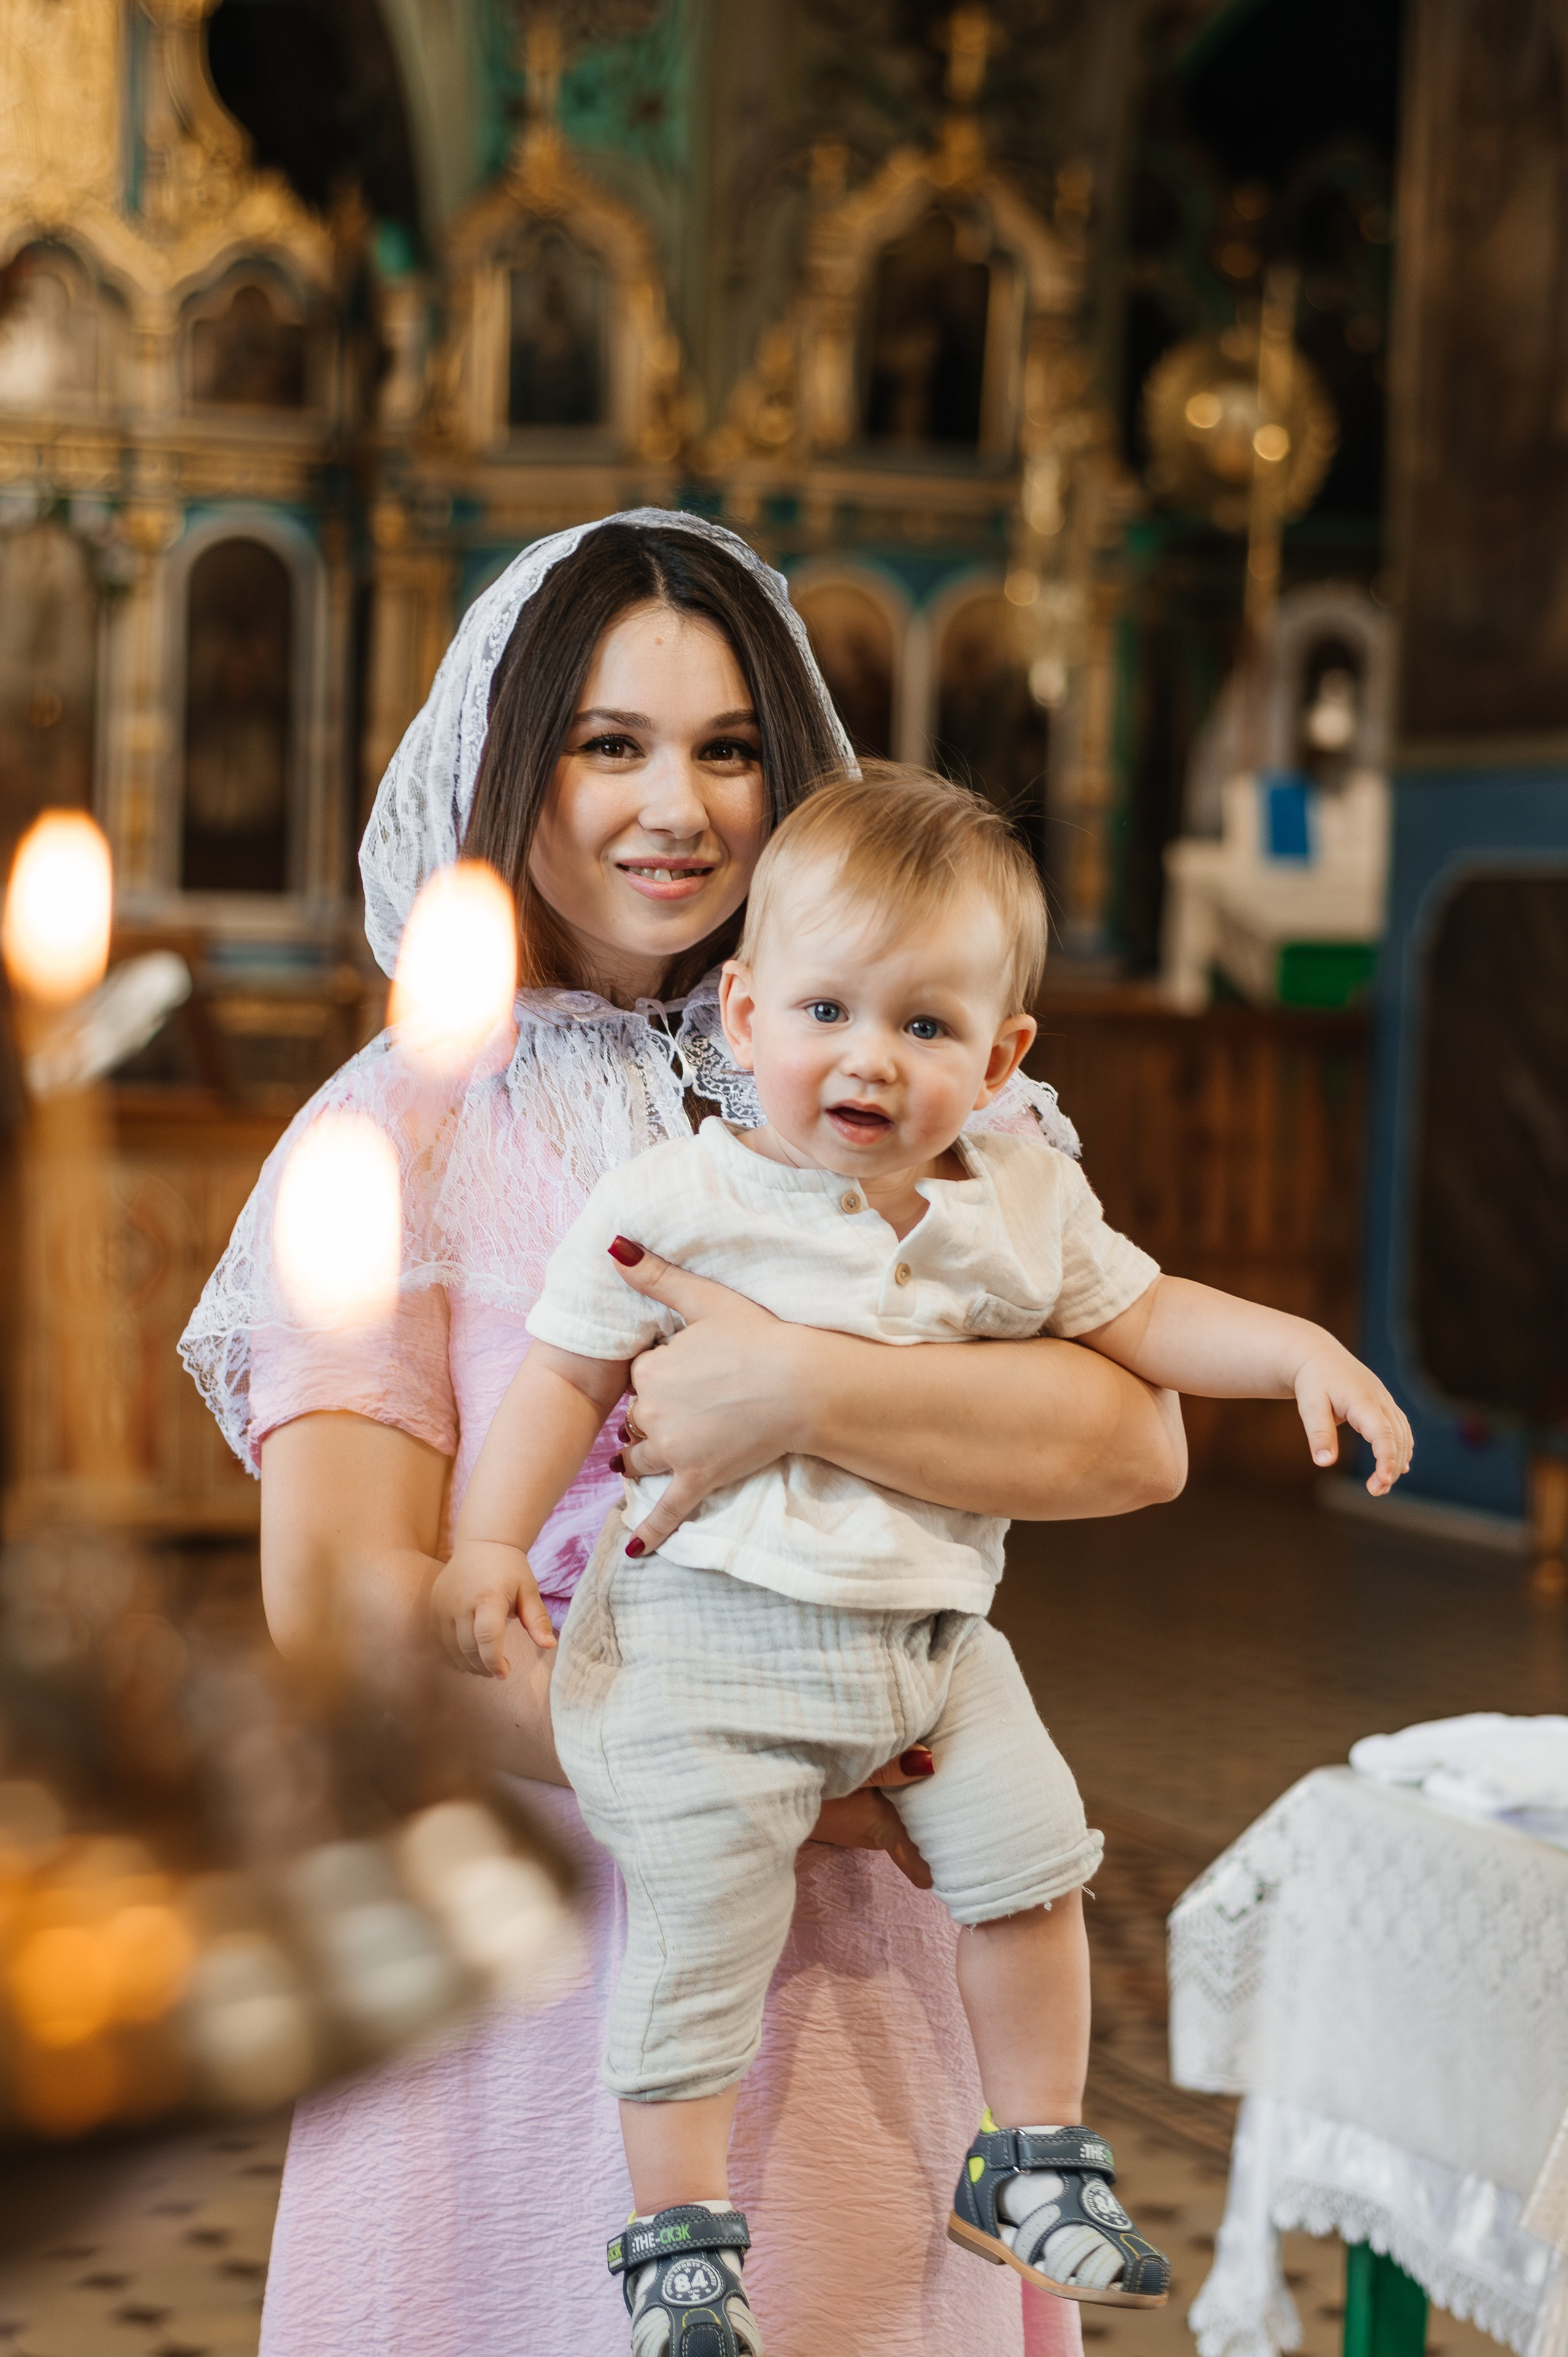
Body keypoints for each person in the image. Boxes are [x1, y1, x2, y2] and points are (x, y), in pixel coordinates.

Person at [180, 512, 1189, 2357]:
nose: (679, 808)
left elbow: (1131, 1437)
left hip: (876, 1910)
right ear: (512, 764)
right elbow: (338, 1610)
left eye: (729, 749)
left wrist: (804, 1389)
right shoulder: (396, 1129)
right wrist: (721, 1764)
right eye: (610, 745)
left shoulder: (902, 1075)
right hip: (540, 1923)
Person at [433, 768, 1413, 2356]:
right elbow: (563, 1373)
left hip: (927, 1653)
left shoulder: (1022, 1201)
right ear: (744, 1015)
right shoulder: (685, 1195)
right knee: (697, 1934)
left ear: (1004, 1056)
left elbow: (1146, 1319)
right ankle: (678, 2238)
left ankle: (1031, 2155)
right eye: (827, 1007)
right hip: (707, 1641)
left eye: (927, 1026)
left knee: (1038, 1870)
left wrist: (1297, 1347)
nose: (870, 1059)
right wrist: (485, 1545)